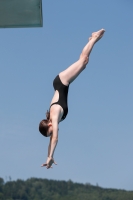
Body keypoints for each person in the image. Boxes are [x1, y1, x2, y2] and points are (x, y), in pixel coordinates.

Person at [39, 29, 105, 169]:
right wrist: (48, 156)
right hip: (61, 83)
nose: (53, 134)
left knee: (83, 60)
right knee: (84, 61)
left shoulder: (55, 115)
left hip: (62, 81)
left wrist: (51, 156)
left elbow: (55, 138)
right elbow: (51, 140)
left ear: (49, 125)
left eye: (51, 131)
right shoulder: (51, 121)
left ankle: (93, 38)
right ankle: (92, 40)